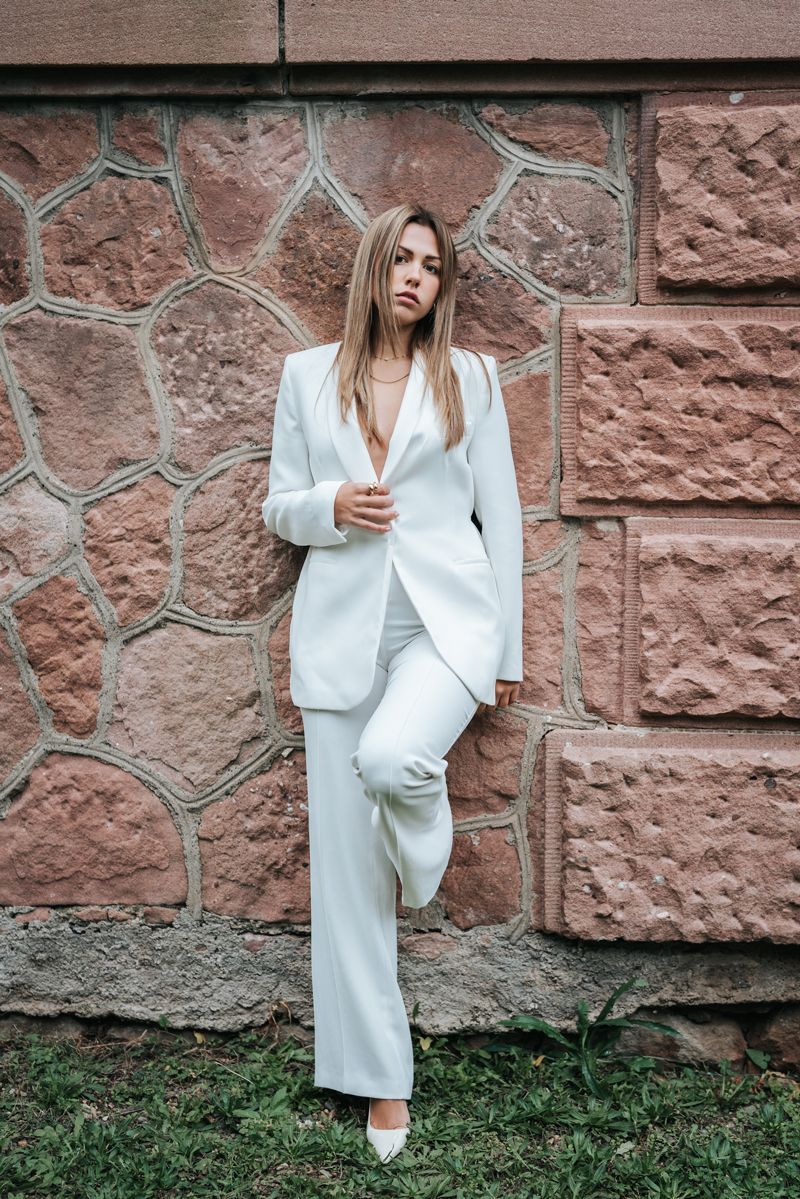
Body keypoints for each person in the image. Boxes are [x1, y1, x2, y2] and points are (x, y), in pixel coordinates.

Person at [261, 201, 523, 1163]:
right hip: (341, 635)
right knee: (345, 881)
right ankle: (381, 1081)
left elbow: (503, 515)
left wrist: (506, 653)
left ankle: (424, 859)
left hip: (446, 627)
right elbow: (278, 505)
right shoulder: (306, 375)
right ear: (375, 267)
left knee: (395, 759)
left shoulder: (471, 378)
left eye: (432, 265)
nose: (416, 276)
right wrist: (331, 503)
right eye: (403, 258)